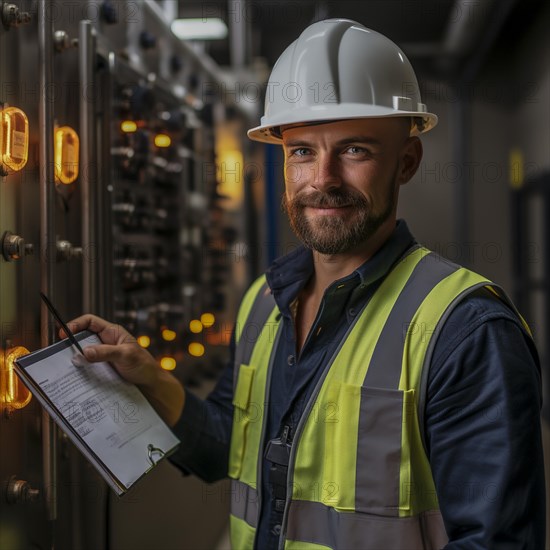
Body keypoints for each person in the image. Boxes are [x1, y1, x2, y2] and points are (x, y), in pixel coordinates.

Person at [67, 19, 545, 549]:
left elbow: (497, 542)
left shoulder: (466, 331)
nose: (323, 180)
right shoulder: (264, 301)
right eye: (302, 152)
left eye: (355, 149)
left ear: (407, 162)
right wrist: (150, 379)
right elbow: (231, 445)